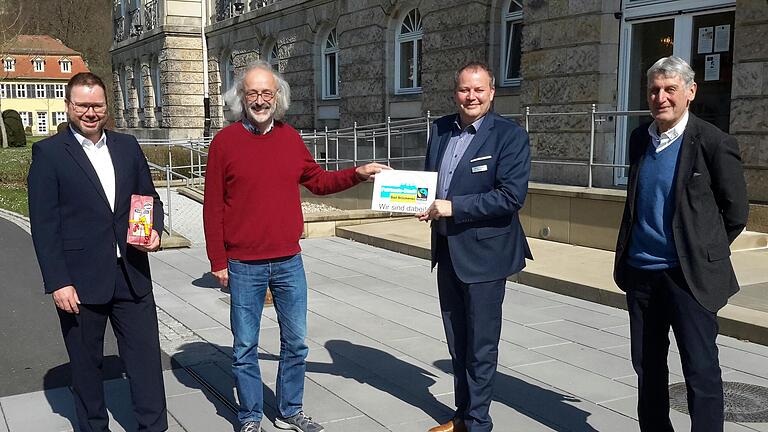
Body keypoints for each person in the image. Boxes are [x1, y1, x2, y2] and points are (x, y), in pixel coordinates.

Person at [203, 60, 389, 432]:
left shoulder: (290, 137)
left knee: (296, 344)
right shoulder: (224, 142)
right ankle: (251, 416)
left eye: (266, 93)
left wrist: (357, 173)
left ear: (278, 97)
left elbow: (318, 181)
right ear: (240, 97)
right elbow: (212, 207)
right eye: (252, 93)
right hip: (243, 262)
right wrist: (218, 260)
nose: (259, 100)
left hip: (288, 260)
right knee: (244, 348)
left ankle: (290, 411)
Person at [614, 56, 749, 432]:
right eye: (654, 89)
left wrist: (702, 251)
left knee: (700, 371)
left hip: (689, 279)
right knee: (648, 367)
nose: (661, 97)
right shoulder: (640, 138)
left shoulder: (714, 143)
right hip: (642, 275)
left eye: (670, 89)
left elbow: (736, 211)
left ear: (690, 92)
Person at [27, 72, 167, 432]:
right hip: (80, 280)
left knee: (146, 361)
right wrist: (58, 282)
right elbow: (44, 226)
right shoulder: (49, 154)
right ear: (69, 107)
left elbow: (148, 199)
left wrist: (154, 230)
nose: (91, 112)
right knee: (87, 366)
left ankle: (154, 427)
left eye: (97, 105)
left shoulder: (127, 146)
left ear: (107, 106)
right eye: (83, 105)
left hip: (132, 274)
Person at [418, 62, 532, 432]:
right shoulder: (440, 130)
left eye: (479, 90)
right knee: (457, 342)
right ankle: (463, 415)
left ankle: (479, 423)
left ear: (492, 92)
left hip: (486, 256)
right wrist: (406, 195)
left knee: (481, 346)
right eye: (465, 90)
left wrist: (455, 207)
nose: (471, 97)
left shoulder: (509, 135)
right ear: (456, 92)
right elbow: (430, 183)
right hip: (448, 251)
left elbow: (511, 196)